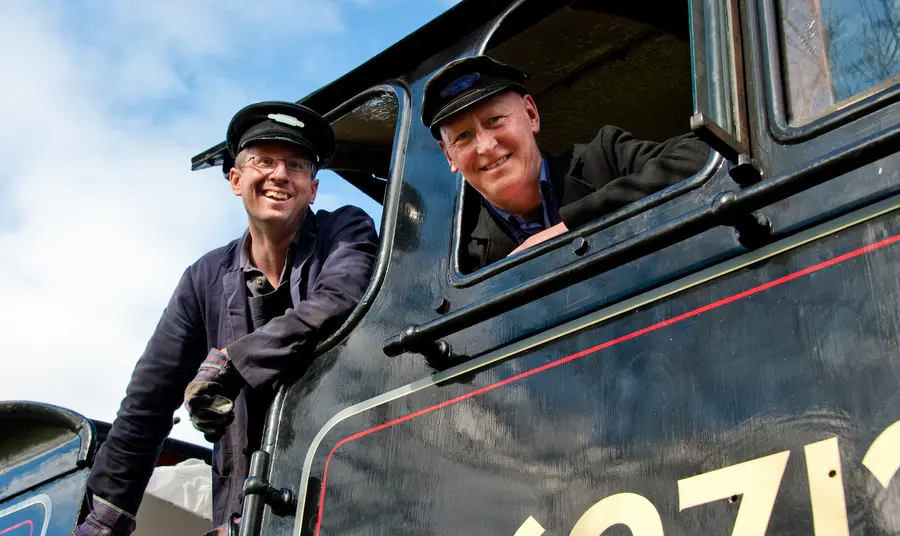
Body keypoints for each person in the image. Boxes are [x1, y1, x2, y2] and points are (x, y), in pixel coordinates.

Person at [72, 101, 379, 535]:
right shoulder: (203, 279)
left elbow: (338, 299)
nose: (278, 175)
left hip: (347, 483)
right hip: (247, 511)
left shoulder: (346, 231)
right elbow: (148, 402)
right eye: (263, 161)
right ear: (236, 180)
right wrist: (105, 514)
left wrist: (233, 363)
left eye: (295, 165)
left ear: (312, 188)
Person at [421, 55, 710, 273]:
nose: (485, 146)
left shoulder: (604, 156)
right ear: (449, 156)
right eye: (463, 136)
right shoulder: (461, 259)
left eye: (494, 120)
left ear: (531, 115)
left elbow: (701, 155)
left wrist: (568, 228)